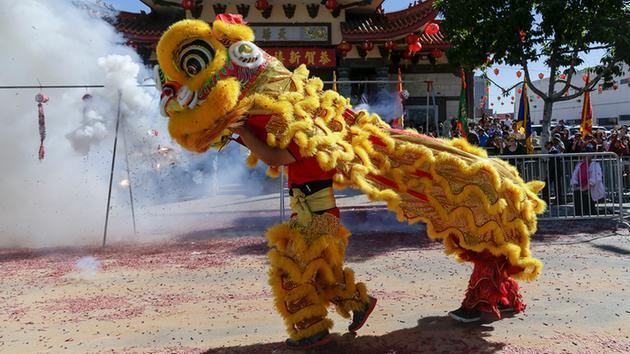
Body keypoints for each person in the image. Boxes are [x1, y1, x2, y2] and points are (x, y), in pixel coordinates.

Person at [230, 113, 377, 349]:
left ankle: (312, 331)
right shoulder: (309, 134)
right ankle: (359, 303)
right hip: (312, 215)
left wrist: (245, 132)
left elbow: (272, 157)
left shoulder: (310, 137)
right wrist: (237, 132)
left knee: (293, 274)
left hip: (316, 218)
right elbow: (269, 148)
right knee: (320, 272)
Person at [570, 146, 605, 216]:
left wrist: (585, 188)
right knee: (578, 196)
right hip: (581, 188)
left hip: (590, 189)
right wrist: (576, 186)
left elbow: (594, 179)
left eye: (586, 154)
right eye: (583, 154)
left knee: (590, 211)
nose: (584, 156)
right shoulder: (579, 165)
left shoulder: (595, 165)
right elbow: (574, 178)